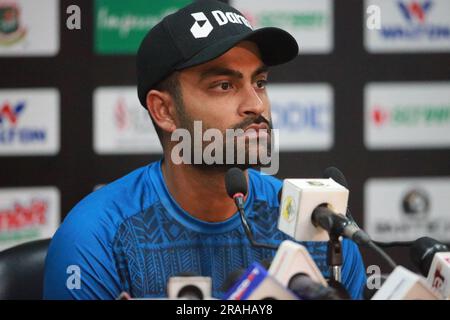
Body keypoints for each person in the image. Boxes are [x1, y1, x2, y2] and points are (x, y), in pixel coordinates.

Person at [44, 0, 366, 300]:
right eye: (224, 85)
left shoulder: (319, 228)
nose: (255, 105)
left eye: (260, 82)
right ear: (164, 111)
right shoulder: (96, 238)